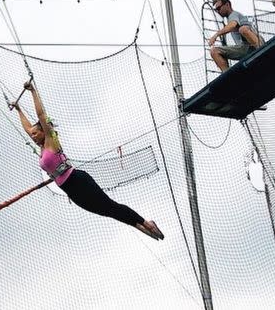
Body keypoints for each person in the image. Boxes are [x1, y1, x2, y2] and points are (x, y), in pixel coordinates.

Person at [11, 81, 165, 240]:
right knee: (108, 212)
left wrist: (32, 92)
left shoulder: (51, 141)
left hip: (78, 181)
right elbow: (28, 128)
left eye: (36, 133)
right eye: (33, 135)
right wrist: (18, 110)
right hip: (70, 190)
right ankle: (139, 225)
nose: (33, 136)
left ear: (44, 131)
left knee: (110, 206)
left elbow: (41, 115)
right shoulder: (42, 148)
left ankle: (146, 224)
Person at [208, 0, 264, 72]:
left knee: (242, 29)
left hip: (254, 42)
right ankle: (226, 75)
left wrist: (216, 35)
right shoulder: (229, 15)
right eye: (216, 10)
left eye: (219, 8)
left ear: (227, 5)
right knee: (214, 51)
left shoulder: (233, 14)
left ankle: (261, 50)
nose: (218, 11)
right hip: (244, 48)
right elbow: (224, 2)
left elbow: (232, 25)